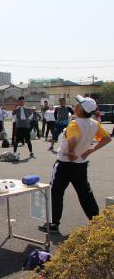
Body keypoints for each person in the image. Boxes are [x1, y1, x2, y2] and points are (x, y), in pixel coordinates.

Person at [38, 95, 111, 234]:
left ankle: (53, 224)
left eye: (78, 104)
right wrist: (90, 150)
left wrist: (71, 151)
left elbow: (72, 140)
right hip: (81, 164)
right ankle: (97, 222)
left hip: (65, 164)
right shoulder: (94, 124)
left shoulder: (74, 123)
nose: (75, 105)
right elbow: (107, 138)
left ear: (80, 109)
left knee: (56, 192)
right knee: (85, 194)